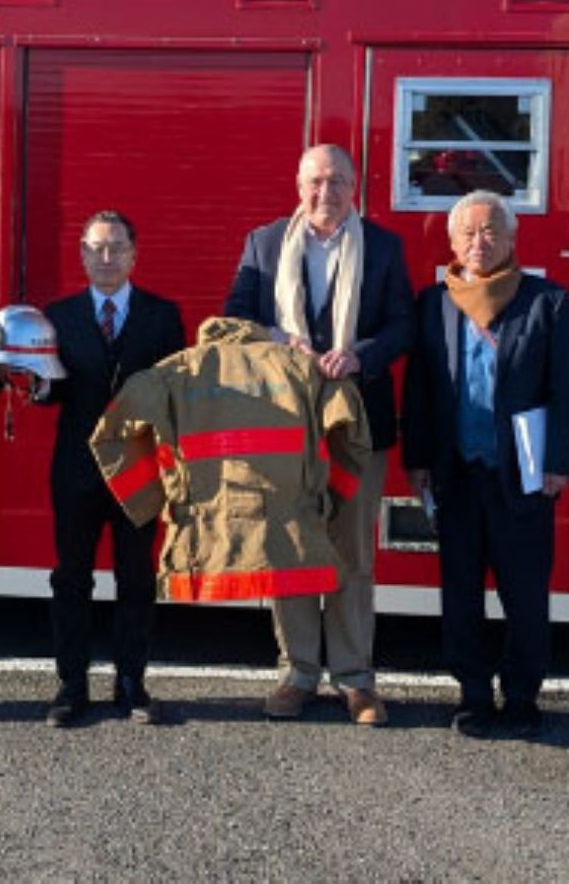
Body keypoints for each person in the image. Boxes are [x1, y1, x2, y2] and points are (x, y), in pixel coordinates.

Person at [224, 142, 413, 726]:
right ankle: (298, 672)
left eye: (336, 181)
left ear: (354, 187)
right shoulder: (263, 243)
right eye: (314, 181)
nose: (324, 193)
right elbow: (233, 319)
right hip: (285, 425)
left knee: (353, 552)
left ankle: (356, 678)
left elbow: (404, 325)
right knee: (292, 550)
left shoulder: (383, 246)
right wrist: (280, 342)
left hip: (360, 426)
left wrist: (360, 355)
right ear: (298, 184)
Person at [401, 191, 569, 739]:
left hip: (522, 476)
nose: (479, 243)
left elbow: (567, 386)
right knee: (459, 594)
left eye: (490, 232)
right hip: (456, 473)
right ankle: (473, 695)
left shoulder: (546, 301)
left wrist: (558, 462)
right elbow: (419, 388)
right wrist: (418, 460)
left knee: (525, 595)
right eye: (468, 233)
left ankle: (523, 697)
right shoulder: (433, 302)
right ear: (452, 243)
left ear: (511, 241)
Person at [38, 211, 185, 728]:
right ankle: (70, 686)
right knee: (71, 579)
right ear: (81, 254)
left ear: (133, 254)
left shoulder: (164, 317)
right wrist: (24, 378)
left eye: (116, 248)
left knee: (136, 579)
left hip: (140, 472)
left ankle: (131, 684)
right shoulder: (56, 317)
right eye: (96, 248)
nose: (106, 258)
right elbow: (49, 392)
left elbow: (176, 396)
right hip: (76, 469)